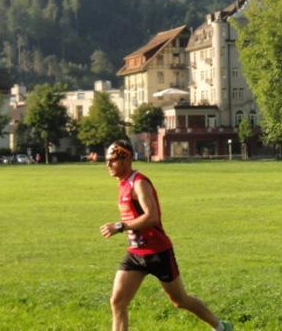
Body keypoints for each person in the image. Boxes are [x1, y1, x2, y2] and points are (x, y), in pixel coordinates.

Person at [99, 140, 233, 331]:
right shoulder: (122, 184)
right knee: (117, 301)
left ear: (127, 158)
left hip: (157, 252)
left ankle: (221, 327)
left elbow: (152, 217)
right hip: (135, 254)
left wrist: (120, 226)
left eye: (112, 160)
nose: (108, 165)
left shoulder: (139, 183)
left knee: (180, 301)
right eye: (107, 160)